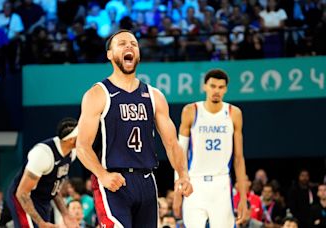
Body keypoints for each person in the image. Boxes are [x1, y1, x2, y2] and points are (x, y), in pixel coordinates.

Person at [76, 29, 193, 228]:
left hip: (146, 180)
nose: (129, 46)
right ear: (110, 55)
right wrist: (102, 175)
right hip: (113, 180)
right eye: (122, 43)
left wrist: (183, 174)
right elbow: (82, 146)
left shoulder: (154, 96)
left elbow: (172, 144)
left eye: (133, 44)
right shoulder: (98, 94)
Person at [173, 69, 248, 227]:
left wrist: (243, 198)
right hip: (194, 183)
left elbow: (239, 159)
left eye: (221, 87)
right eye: (213, 86)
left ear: (226, 89)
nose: (216, 91)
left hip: (221, 184)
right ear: (205, 86)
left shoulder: (234, 113)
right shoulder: (191, 111)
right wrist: (177, 191)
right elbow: (179, 155)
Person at [6, 118, 79, 228]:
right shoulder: (43, 154)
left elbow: (55, 188)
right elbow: (22, 193)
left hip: (43, 200)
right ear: (71, 140)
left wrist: (66, 215)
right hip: (23, 197)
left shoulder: (72, 153)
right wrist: (40, 223)